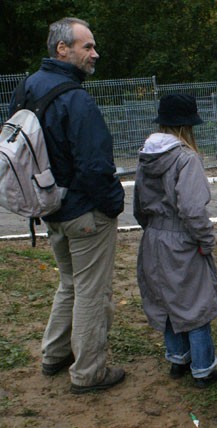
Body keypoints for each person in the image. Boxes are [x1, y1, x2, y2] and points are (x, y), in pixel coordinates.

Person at [8, 17, 126, 394]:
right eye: (86, 46)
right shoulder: (75, 99)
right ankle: (89, 373)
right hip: (84, 215)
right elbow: (94, 165)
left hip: (50, 207)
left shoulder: (28, 88)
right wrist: (113, 204)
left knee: (70, 285)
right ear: (63, 49)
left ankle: (55, 354)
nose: (95, 53)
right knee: (92, 292)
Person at [133, 94, 217, 389]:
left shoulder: (145, 155)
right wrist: (205, 240)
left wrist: (154, 230)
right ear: (188, 126)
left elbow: (137, 206)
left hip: (153, 237)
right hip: (182, 239)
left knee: (166, 299)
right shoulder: (186, 158)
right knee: (195, 303)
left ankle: (177, 359)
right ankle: (203, 370)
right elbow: (193, 209)